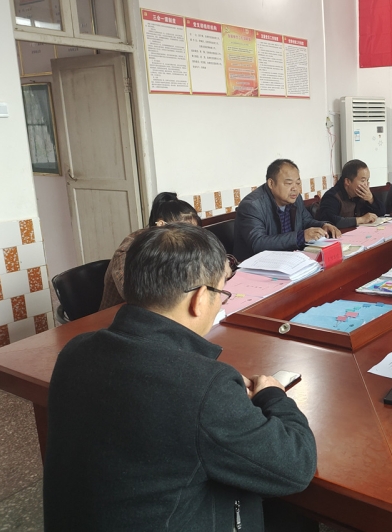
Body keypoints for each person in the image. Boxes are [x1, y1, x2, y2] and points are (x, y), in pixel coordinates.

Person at [44, 224, 317, 531]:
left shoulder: (75, 351)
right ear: (199, 299)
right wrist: (273, 395)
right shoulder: (205, 387)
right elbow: (297, 466)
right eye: (222, 293)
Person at [99, 192, 202, 311]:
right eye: (184, 233)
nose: (189, 240)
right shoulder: (128, 250)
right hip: (117, 315)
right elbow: (136, 296)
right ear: (161, 225)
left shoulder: (174, 245)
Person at [233, 159, 341, 261]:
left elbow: (305, 220)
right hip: (259, 265)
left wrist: (323, 226)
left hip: (289, 259)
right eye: (289, 183)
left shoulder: (295, 198)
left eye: (298, 183)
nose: (295, 188)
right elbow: (258, 243)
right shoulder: (252, 206)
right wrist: (301, 237)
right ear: (271, 183)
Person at [318, 159, 385, 229]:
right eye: (363, 180)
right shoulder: (332, 196)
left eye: (367, 180)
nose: (366, 185)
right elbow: (329, 221)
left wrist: (371, 199)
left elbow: (381, 213)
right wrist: (361, 220)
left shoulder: (362, 194)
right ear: (347, 181)